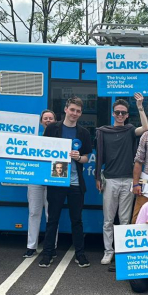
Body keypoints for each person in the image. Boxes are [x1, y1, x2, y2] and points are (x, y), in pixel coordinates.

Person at [38, 97, 93, 269]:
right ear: (66, 109)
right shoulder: (53, 128)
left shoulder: (83, 132)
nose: (75, 113)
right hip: (56, 181)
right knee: (52, 219)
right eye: (72, 110)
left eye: (78, 111)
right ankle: (47, 254)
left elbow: (86, 158)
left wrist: (79, 157)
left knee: (77, 220)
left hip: (76, 183)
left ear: (80, 113)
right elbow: (44, 151)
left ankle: (80, 254)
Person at [95, 93, 148, 265]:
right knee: (108, 219)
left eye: (123, 113)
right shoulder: (103, 131)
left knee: (125, 220)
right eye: (117, 112)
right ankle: (108, 251)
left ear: (127, 115)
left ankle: (122, 252)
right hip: (109, 180)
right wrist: (98, 177)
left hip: (128, 180)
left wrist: (140, 107)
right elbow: (99, 157)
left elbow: (146, 128)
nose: (120, 115)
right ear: (113, 113)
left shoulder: (130, 130)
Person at [24, 110, 57, 258]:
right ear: (41, 121)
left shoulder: (60, 137)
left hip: (53, 179)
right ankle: (31, 246)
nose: (48, 120)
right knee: (34, 212)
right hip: (35, 179)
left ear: (55, 120)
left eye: (51, 118)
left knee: (51, 214)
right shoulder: (33, 137)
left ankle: (52, 246)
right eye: (45, 118)